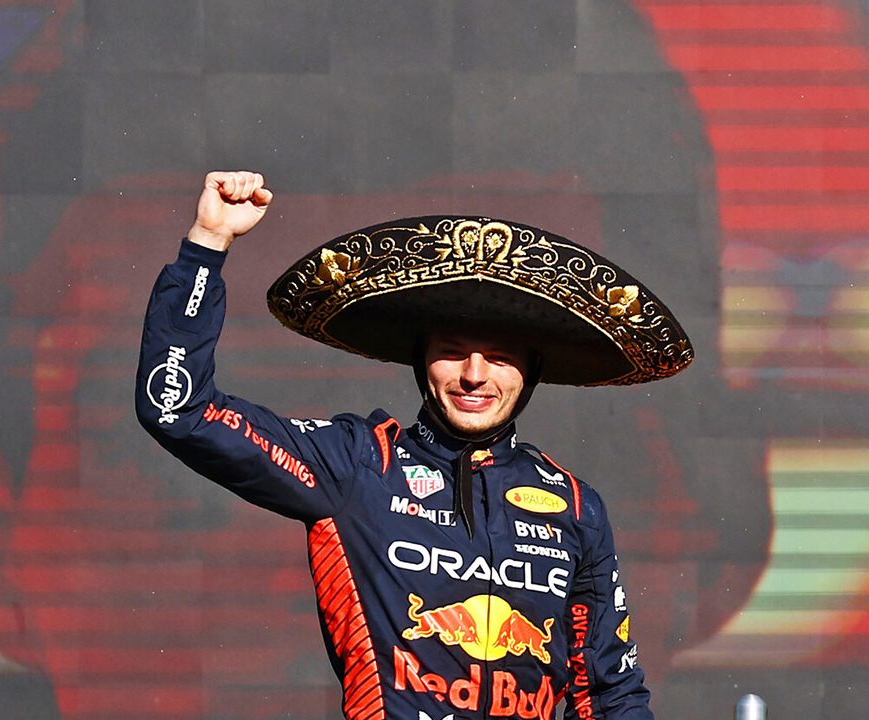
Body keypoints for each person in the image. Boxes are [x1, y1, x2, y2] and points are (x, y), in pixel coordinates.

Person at [135, 170, 694, 719]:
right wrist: (207, 245)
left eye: (500, 358)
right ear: (420, 360)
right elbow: (178, 409)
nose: (474, 375)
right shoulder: (358, 464)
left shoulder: (574, 505)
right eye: (452, 350)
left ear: (532, 372)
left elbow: (610, 695)